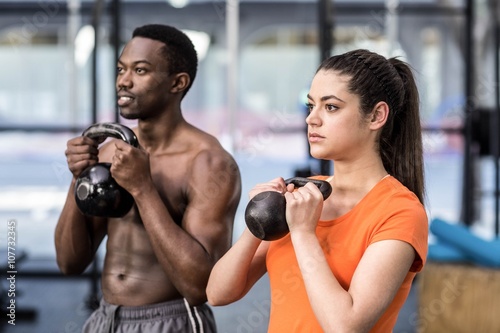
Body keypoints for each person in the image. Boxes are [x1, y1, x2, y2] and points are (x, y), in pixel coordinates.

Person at [206, 49, 428, 332]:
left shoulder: (400, 212)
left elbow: (346, 326)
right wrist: (257, 224)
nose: (312, 119)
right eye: (311, 106)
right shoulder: (303, 197)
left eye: (331, 107)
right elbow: (218, 294)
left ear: (376, 116)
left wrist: (302, 233)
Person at [55, 24, 242, 333]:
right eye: (120, 69)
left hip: (173, 320)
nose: (123, 82)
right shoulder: (110, 151)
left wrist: (143, 188)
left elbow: (199, 288)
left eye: (140, 71)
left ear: (177, 83)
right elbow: (69, 263)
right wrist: (78, 178)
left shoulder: (209, 163)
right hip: (106, 318)